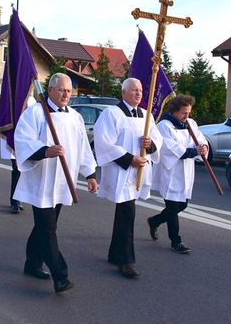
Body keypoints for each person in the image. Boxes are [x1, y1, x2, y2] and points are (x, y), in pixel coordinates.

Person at [13, 73, 98, 293]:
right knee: (48, 228)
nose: (66, 94)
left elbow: (83, 149)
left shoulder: (75, 117)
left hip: (63, 181)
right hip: (41, 180)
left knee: (44, 227)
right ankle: (61, 276)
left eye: (69, 91)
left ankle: (32, 264)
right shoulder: (35, 113)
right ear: (50, 90)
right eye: (61, 90)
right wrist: (45, 151)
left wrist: (90, 174)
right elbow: (22, 140)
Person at [93, 77, 162, 278]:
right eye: (133, 90)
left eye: (140, 90)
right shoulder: (111, 114)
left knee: (125, 213)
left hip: (139, 171)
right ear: (123, 93)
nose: (138, 93)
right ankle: (126, 260)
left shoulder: (146, 115)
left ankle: (116, 253)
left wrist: (150, 145)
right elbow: (104, 142)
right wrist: (129, 159)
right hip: (122, 171)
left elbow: (158, 139)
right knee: (127, 214)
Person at [147, 95, 208, 254]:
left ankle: (154, 221)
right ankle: (176, 241)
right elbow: (171, 149)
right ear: (174, 111)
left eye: (188, 112)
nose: (187, 116)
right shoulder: (164, 126)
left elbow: (201, 140)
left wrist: (203, 148)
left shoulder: (191, 123)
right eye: (183, 113)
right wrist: (194, 151)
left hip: (186, 171)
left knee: (183, 204)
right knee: (173, 207)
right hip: (171, 171)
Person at [1, 95, 36, 214]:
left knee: (23, 171)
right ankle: (15, 201)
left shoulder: (32, 100)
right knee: (17, 169)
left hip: (28, 140)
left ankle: (19, 198)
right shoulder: (12, 98)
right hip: (16, 138)